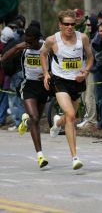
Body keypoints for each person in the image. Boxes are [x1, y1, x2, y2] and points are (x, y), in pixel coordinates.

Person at [40, 9, 93, 170]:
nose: (70, 27)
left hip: (77, 80)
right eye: (66, 24)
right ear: (60, 25)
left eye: (72, 24)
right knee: (71, 115)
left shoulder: (82, 38)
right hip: (60, 80)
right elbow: (43, 54)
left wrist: (86, 71)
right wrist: (46, 73)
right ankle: (74, 157)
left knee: (69, 116)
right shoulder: (52, 40)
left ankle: (57, 122)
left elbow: (90, 57)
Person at [1, 25, 50, 168]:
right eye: (26, 41)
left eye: (30, 42)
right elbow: (9, 54)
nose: (28, 44)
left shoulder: (46, 47)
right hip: (28, 86)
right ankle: (40, 156)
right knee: (35, 118)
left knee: (35, 120)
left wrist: (48, 74)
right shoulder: (24, 47)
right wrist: (11, 52)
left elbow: (56, 63)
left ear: (37, 39)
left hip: (43, 87)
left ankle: (25, 122)